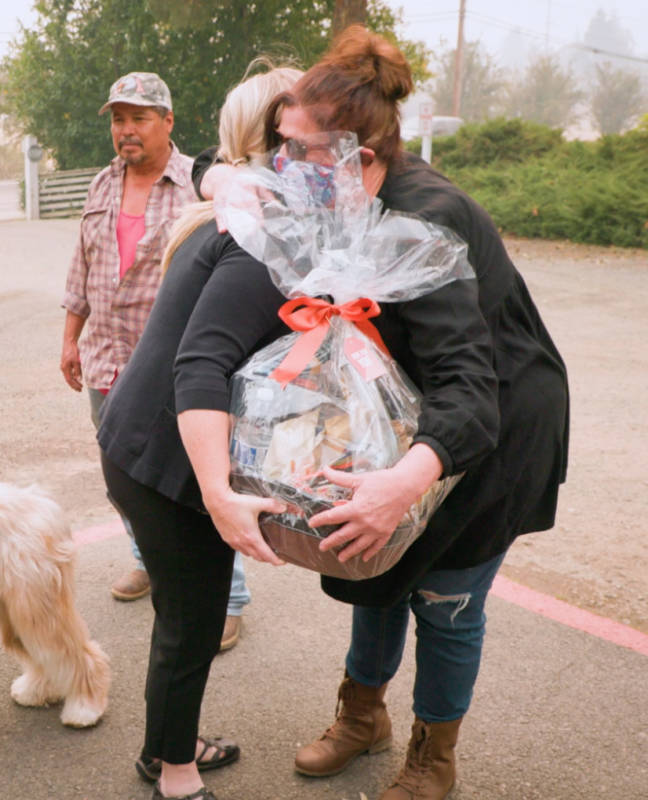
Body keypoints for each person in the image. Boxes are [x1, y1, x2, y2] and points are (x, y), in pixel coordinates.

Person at [190, 27, 567, 800]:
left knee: (444, 594)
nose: (284, 164)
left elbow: (471, 387)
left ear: (360, 156)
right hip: (407, 407)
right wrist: (217, 183)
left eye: (298, 150)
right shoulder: (342, 184)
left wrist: (404, 481)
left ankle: (435, 753)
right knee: (377, 564)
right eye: (279, 145)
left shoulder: (424, 224)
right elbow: (228, 175)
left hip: (490, 424)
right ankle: (362, 715)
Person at [92, 65, 304, 800]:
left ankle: (165, 748)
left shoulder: (242, 205)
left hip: (144, 441)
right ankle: (174, 772)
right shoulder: (256, 235)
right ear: (278, 138)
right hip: (165, 456)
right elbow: (202, 365)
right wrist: (217, 491)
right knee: (192, 621)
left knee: (185, 617)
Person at [58, 71, 248, 651]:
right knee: (127, 482)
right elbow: (83, 267)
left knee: (201, 481)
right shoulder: (101, 185)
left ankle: (229, 598)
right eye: (118, 119)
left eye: (139, 118)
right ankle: (147, 559)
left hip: (175, 366)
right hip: (106, 361)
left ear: (167, 122)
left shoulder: (201, 185)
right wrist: (70, 337)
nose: (126, 130)